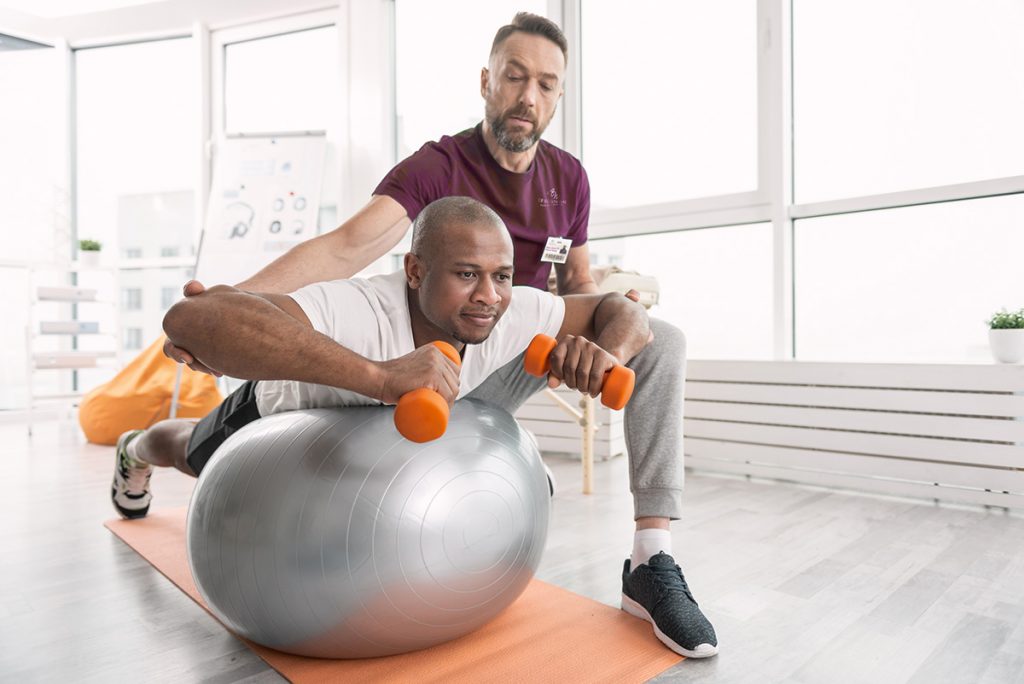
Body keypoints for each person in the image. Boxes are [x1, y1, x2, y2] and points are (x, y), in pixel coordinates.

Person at [160, 13, 717, 658]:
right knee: (197, 450)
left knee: (662, 341)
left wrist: (596, 351)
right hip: (408, 352)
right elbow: (348, 245)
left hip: (503, 349)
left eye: (545, 83)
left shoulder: (569, 180)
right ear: (487, 81)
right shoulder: (438, 166)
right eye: (514, 76)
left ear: (559, 95)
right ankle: (145, 449)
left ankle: (651, 559)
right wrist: (236, 308)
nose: (528, 96)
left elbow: (581, 284)